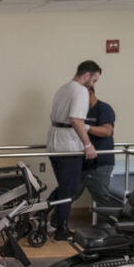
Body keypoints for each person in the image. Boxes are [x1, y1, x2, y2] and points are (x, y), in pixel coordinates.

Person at [47, 60, 101, 241]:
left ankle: (47, 218)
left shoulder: (63, 88)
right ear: (86, 75)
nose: (92, 85)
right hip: (68, 146)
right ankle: (60, 229)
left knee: (65, 187)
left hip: (55, 143)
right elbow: (76, 120)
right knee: (69, 189)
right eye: (94, 81)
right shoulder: (80, 91)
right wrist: (88, 145)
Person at [75, 86, 116, 207]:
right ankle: (56, 222)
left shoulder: (103, 108)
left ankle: (108, 224)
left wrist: (86, 127)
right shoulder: (79, 111)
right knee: (69, 193)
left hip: (101, 161)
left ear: (91, 92)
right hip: (81, 160)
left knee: (100, 195)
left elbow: (107, 131)